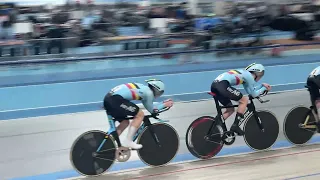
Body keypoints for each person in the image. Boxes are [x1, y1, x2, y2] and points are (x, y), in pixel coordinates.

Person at [103, 79, 173, 150]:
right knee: (140, 115)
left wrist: (163, 103)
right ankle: (128, 141)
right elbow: (153, 110)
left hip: (110, 99)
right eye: (160, 93)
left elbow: (149, 106)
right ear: (156, 89)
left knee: (125, 122)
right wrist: (164, 105)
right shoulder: (149, 93)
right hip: (115, 100)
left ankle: (108, 143)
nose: (159, 95)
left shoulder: (144, 89)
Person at [211, 63, 272, 136]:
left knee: (230, 109)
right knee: (244, 101)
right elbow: (254, 94)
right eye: (261, 74)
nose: (260, 77)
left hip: (215, 85)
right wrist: (264, 88)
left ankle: (214, 126)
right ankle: (235, 126)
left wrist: (261, 86)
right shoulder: (249, 76)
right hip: (222, 85)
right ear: (256, 72)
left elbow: (250, 91)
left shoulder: (244, 74)